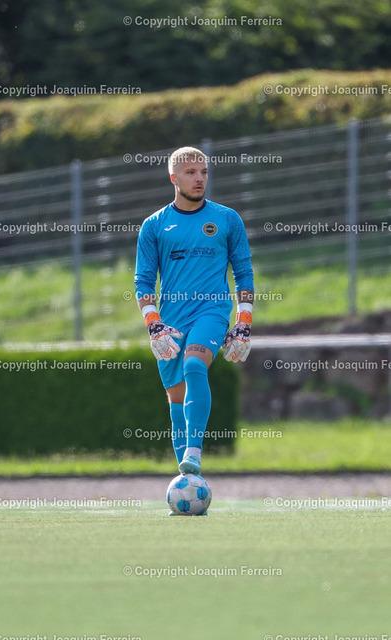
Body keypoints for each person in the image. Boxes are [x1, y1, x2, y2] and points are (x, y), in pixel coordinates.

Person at [134, 146, 254, 479]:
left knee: (193, 364)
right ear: (173, 177)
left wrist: (244, 322)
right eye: (191, 172)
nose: (199, 178)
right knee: (176, 399)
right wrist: (153, 324)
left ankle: (194, 451)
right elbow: (143, 281)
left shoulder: (227, 219)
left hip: (212, 312)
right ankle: (188, 481)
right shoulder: (154, 226)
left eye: (204, 172)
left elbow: (244, 273)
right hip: (172, 319)